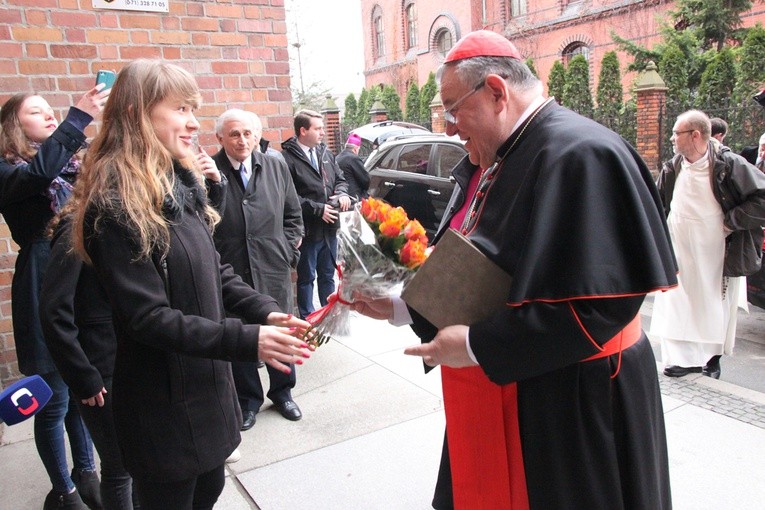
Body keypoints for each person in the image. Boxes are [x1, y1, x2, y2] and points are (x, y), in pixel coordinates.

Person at [351, 30, 678, 509]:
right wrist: (402, 306)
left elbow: (600, 306)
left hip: (578, 400)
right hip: (522, 383)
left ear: (497, 92)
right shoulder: (503, 152)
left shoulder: (580, 153)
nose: (448, 127)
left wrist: (479, 346)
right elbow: (483, 269)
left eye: (452, 108)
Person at [68, 59, 313, 510]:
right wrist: (249, 338)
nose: (193, 121)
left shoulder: (180, 185)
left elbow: (214, 270)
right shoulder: (115, 203)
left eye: (193, 108)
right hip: (161, 405)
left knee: (210, 491)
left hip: (208, 391)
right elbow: (148, 317)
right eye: (181, 108)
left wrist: (263, 310)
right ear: (139, 113)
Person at [0, 88, 108, 509]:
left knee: (84, 389)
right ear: (14, 125)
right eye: (36, 111)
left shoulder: (72, 164)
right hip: (43, 279)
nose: (49, 115)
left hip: (82, 277)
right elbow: (37, 177)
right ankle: (62, 491)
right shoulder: (10, 171)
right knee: (54, 396)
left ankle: (86, 473)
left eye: (52, 111)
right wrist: (77, 118)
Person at [651, 110, 765, 379]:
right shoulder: (673, 167)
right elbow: (657, 203)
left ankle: (710, 359)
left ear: (695, 135)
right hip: (680, 250)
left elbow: (761, 197)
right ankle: (681, 359)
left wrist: (731, 221)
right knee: (678, 303)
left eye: (676, 133)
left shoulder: (729, 164)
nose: (671, 138)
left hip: (717, 249)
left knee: (713, 303)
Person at [210, 109, 305, 426]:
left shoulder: (275, 163)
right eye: (234, 134)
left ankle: (283, 393)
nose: (242, 140)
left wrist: (287, 251)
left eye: (248, 133)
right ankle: (248, 400)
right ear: (220, 137)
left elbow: (293, 214)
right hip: (232, 270)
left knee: (280, 330)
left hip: (273, 266)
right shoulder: (210, 172)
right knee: (242, 334)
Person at [40, 213, 140, 510]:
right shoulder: (77, 226)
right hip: (101, 369)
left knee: (134, 461)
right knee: (119, 466)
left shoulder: (123, 218)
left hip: (129, 360)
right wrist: (83, 376)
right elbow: (54, 311)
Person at [281, 109, 351, 319]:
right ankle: (307, 318)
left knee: (328, 275)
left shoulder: (325, 153)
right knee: (306, 277)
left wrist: (341, 194)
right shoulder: (286, 159)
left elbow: (341, 179)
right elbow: (287, 196)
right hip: (308, 230)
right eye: (318, 128)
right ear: (303, 130)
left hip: (329, 229)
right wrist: (317, 209)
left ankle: (328, 316)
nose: (322, 133)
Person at [336, 133, 369, 201]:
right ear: (356, 149)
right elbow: (365, 180)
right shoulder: (353, 158)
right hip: (354, 197)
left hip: (342, 196)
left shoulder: (337, 158)